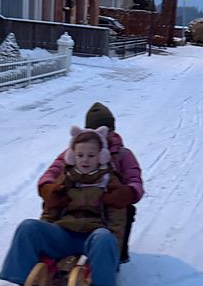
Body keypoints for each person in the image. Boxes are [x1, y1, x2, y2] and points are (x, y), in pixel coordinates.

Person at [0, 126, 130, 286]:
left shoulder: (112, 183)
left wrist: (109, 256)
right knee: (27, 227)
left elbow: (117, 224)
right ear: (72, 155)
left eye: (91, 155)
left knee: (106, 238)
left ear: (101, 157)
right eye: (80, 155)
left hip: (93, 237)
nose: (85, 160)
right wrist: (42, 239)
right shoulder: (64, 179)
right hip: (64, 233)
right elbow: (50, 212)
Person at [38, 102, 143, 263]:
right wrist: (48, 188)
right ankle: (53, 247)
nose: (105, 135)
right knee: (56, 200)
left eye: (109, 130)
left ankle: (117, 252)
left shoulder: (123, 154)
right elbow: (52, 172)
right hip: (79, 205)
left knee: (125, 210)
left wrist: (128, 192)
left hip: (108, 203)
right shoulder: (77, 152)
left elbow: (135, 179)